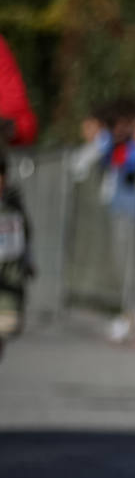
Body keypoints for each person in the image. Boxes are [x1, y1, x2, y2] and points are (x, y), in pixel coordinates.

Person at [0, 149, 35, 362]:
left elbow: (27, 233)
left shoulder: (14, 203)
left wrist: (29, 260)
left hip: (10, 273)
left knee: (7, 326)